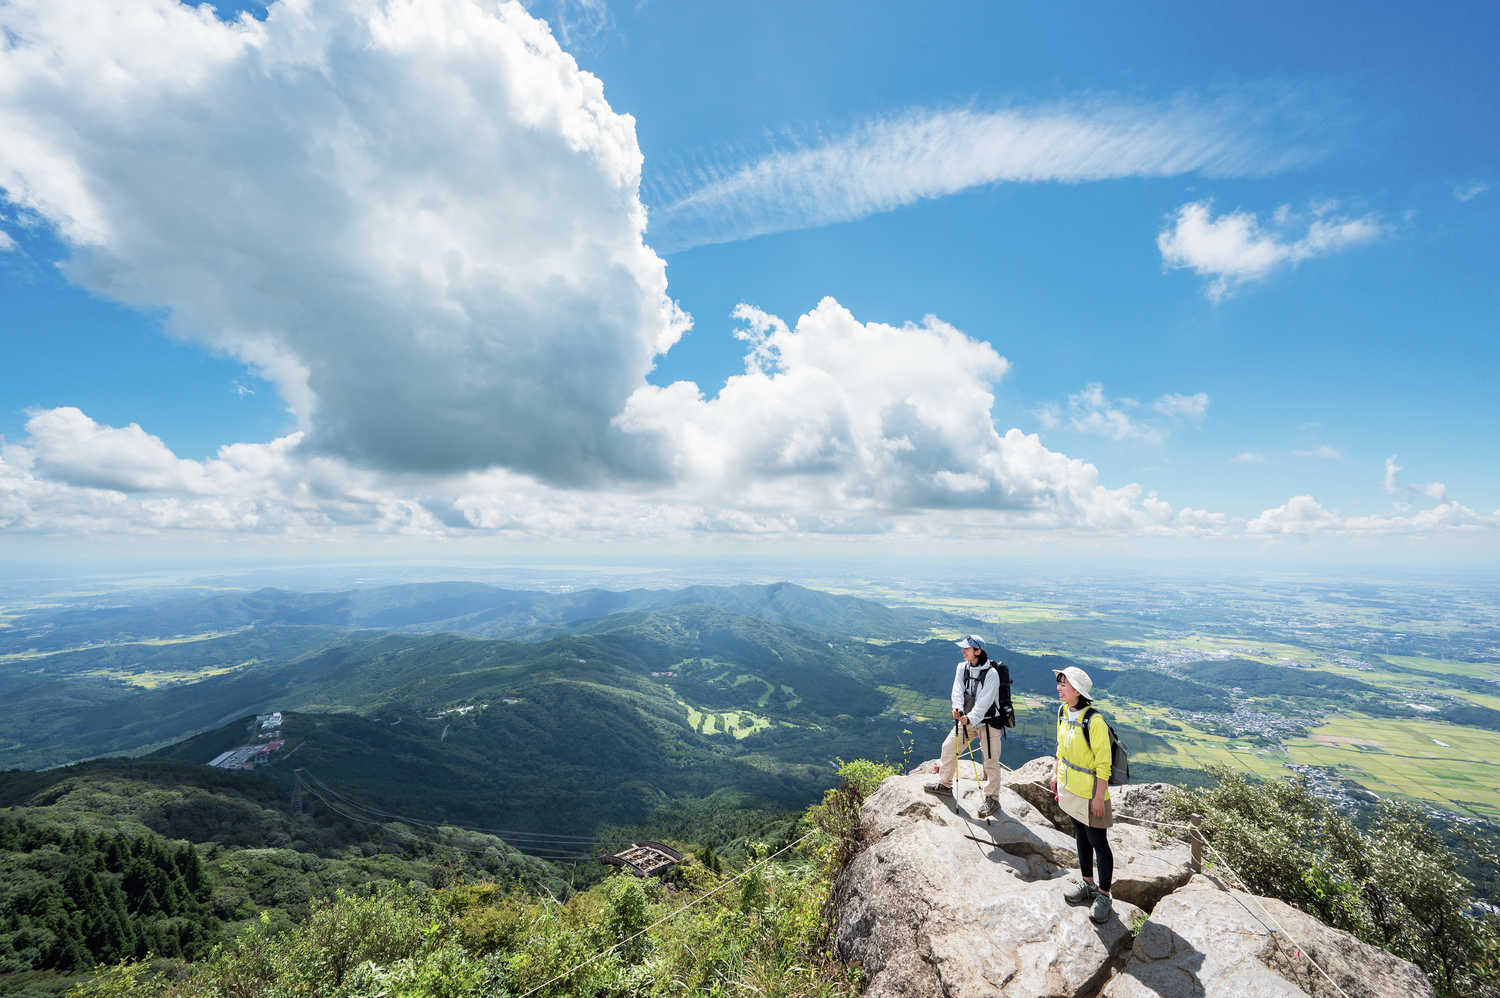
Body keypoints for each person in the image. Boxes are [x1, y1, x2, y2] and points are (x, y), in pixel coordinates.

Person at [1050, 665, 1115, 924]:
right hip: (1071, 789)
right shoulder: (1063, 711)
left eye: (1064, 684)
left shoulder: (1094, 721)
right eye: (1059, 683)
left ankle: (1104, 894)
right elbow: (1060, 748)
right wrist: (1056, 773)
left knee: (1098, 840)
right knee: (1081, 836)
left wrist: (1099, 797)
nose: (1059, 687)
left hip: (1090, 793)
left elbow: (1103, 765)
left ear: (1078, 690)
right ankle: (1087, 882)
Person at [924, 635, 1004, 818]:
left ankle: (992, 798)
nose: (962, 651)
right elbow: (957, 690)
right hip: (967, 719)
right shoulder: (962, 667)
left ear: (978, 651)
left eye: (966, 649)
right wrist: (957, 708)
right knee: (949, 747)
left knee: (990, 760)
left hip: (990, 721)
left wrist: (970, 718)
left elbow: (985, 701)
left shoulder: (991, 674)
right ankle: (944, 784)